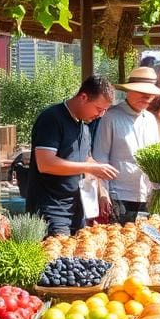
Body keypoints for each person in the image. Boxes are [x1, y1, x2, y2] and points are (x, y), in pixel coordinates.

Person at [26, 76, 118, 236]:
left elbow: (86, 159)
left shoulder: (84, 126)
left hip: (76, 210)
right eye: (98, 108)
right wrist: (90, 167)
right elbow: (45, 163)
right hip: (52, 210)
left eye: (104, 110)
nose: (101, 115)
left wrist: (101, 190)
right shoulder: (52, 118)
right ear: (83, 97)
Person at [93, 67, 160, 224]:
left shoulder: (151, 119)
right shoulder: (110, 117)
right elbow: (100, 156)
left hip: (148, 193)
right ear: (128, 92)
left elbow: (157, 156)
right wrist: (103, 192)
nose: (146, 98)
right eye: (141, 93)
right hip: (119, 194)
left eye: (149, 95)